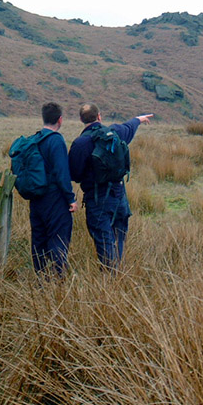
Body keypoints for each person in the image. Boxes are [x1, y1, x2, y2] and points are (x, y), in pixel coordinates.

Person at [68, 103, 153, 270]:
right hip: (119, 195)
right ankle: (117, 273)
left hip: (98, 199)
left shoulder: (80, 143)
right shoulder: (114, 132)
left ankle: (110, 278)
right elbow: (128, 127)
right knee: (118, 235)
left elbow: (75, 175)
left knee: (103, 238)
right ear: (99, 116)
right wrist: (138, 119)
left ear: (81, 120)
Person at [26, 102, 78, 276]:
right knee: (58, 240)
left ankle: (41, 280)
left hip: (36, 200)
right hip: (55, 201)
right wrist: (70, 198)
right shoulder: (56, 140)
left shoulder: (34, 139)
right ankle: (57, 281)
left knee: (38, 241)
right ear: (60, 120)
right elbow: (62, 172)